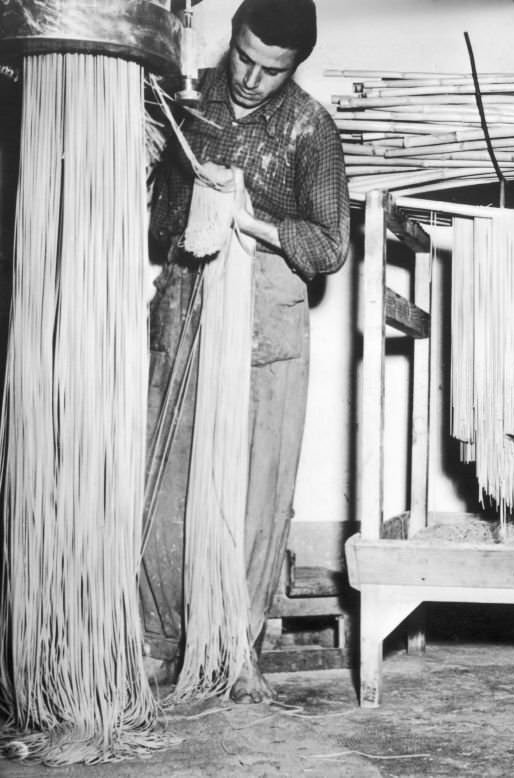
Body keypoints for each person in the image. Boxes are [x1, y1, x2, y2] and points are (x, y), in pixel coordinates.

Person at [143, 0, 350, 703]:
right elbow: (152, 221)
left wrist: (247, 222)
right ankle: (163, 643)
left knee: (259, 481)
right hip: (186, 296)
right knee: (168, 469)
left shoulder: (309, 128)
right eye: (244, 59)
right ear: (230, 37)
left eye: (273, 71)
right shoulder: (181, 98)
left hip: (268, 311)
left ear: (296, 68)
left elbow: (328, 247)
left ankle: (237, 648)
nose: (251, 80)